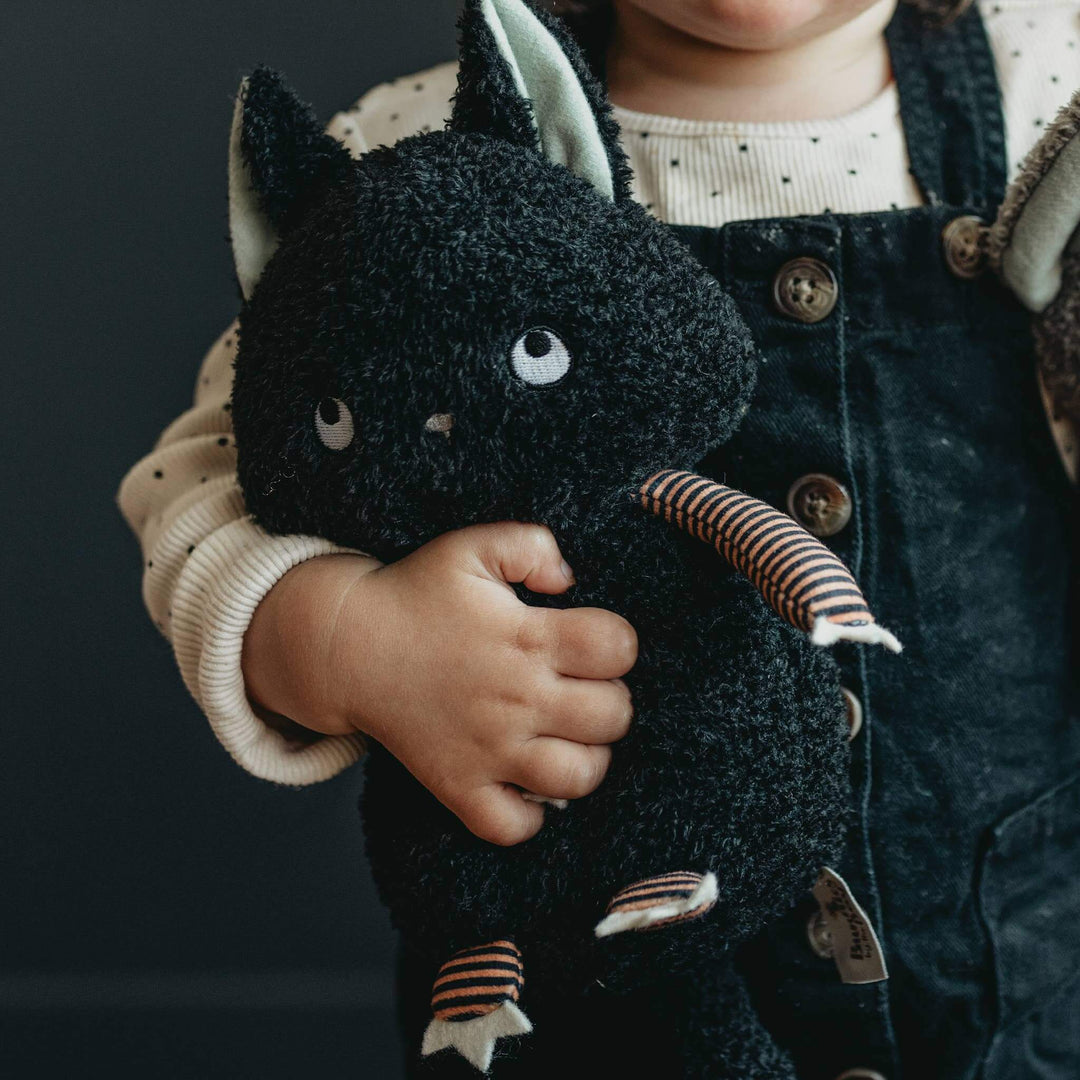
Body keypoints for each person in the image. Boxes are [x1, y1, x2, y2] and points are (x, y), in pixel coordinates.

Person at [115, 1, 1080, 1076]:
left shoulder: (1050, 85)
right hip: (567, 981)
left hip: (1008, 967)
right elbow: (200, 473)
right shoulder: (418, 148)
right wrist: (342, 635)